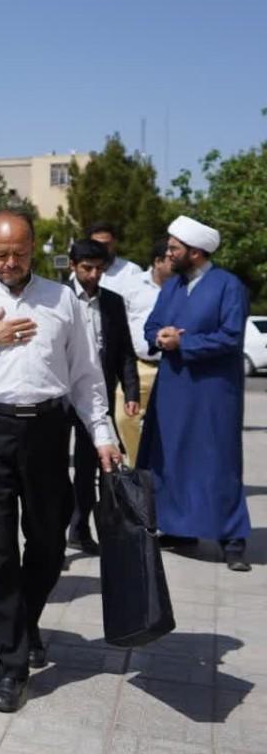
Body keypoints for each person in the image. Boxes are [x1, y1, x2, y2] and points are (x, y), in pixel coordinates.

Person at [0, 209, 120, 714]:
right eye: (0, 254)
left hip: (47, 431)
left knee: (49, 542)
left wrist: (102, 432)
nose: (9, 262)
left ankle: (23, 619)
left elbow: (85, 375)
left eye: (18, 253)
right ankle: (11, 665)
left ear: (34, 248)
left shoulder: (61, 301)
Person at [140, 216, 252, 572]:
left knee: (217, 462)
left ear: (197, 252)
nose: (168, 253)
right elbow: (151, 325)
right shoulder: (172, 287)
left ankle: (232, 539)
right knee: (171, 459)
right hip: (173, 390)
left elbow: (230, 337)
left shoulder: (228, 286)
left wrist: (183, 341)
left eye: (175, 248)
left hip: (213, 394)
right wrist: (160, 337)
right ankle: (179, 528)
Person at [64, 239, 140, 553]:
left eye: (99, 268)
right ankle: (51, 532)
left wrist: (131, 390)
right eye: (87, 268)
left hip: (96, 395)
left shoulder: (112, 302)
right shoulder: (55, 297)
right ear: (72, 266)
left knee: (89, 467)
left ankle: (80, 530)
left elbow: (124, 351)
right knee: (52, 468)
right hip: (58, 396)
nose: (94, 274)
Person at [117, 238, 172, 465]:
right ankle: (138, 466)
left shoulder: (185, 286)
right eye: (170, 258)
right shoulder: (132, 285)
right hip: (140, 366)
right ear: (158, 262)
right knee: (124, 417)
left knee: (171, 424)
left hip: (174, 366)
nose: (176, 261)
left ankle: (168, 473)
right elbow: (119, 322)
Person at [89, 222, 142, 295]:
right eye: (96, 244)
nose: (101, 248)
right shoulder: (79, 272)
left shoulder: (131, 271)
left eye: (105, 244)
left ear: (114, 242)